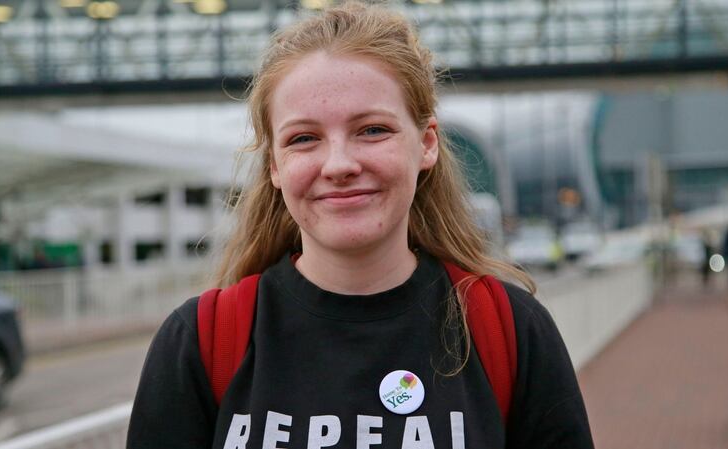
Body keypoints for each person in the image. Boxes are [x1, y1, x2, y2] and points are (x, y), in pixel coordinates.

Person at [127, 2, 593, 448]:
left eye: (372, 130)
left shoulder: (508, 330)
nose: (339, 165)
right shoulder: (200, 341)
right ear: (274, 166)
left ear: (426, 144)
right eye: (304, 138)